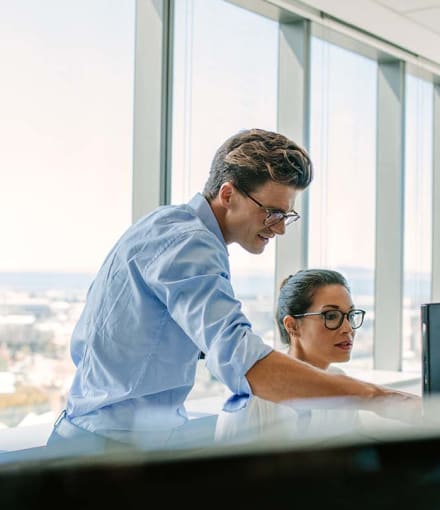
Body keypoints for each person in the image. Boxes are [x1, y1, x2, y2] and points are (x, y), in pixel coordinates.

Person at [47, 128, 419, 452]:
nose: (280, 228)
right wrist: (377, 398)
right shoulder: (189, 243)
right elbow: (244, 362)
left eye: (286, 215)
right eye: (272, 212)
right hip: (107, 450)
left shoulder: (168, 226)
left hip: (103, 437)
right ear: (228, 195)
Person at [215, 269, 365, 443]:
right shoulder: (253, 394)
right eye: (331, 316)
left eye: (350, 315)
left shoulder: (341, 382)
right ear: (292, 326)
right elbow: (228, 467)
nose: (348, 328)